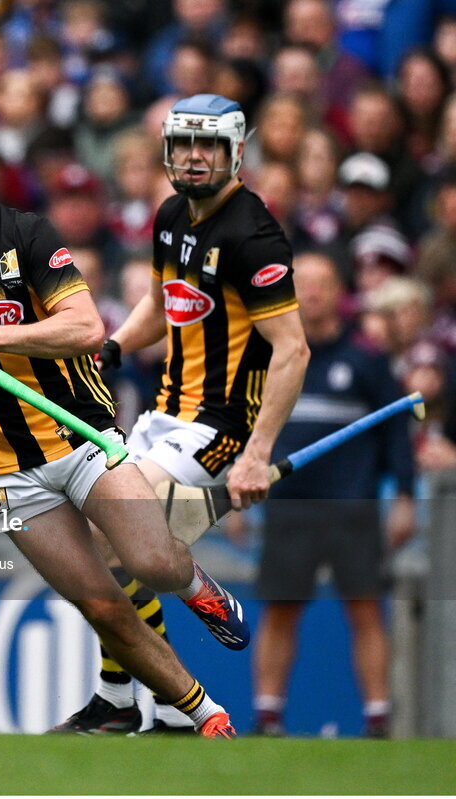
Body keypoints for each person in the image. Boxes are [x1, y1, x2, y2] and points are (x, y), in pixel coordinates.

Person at [0, 112, 244, 737]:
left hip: (80, 435)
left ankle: (196, 585)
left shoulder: (27, 234)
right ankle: (201, 715)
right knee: (100, 606)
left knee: (152, 561)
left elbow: (85, 329)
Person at [56, 94, 310, 734]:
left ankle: (153, 665)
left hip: (220, 426)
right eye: (184, 147)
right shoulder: (171, 214)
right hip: (163, 415)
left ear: (236, 153)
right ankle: (157, 704)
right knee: (99, 546)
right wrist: (114, 345)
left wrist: (255, 454)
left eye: (209, 148)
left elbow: (294, 349)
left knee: (121, 540)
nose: (195, 159)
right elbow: (162, 305)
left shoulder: (254, 235)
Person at [252, 252, 415, 738]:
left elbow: (396, 431)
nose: (314, 293)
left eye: (324, 283)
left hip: (352, 507)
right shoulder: (269, 358)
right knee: (280, 610)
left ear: (340, 292)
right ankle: (267, 717)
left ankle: (379, 719)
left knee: (365, 609)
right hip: (288, 507)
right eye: (305, 283)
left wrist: (405, 495)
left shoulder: (366, 358)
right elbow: (244, 430)